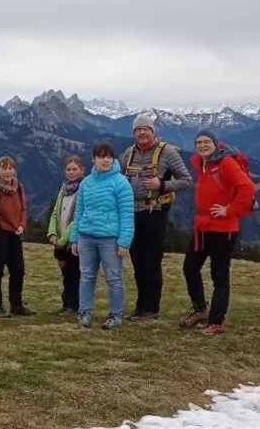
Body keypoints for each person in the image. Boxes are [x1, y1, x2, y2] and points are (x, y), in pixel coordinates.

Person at [180, 130, 256, 335]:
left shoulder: (226, 163)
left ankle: (216, 321)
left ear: (215, 144)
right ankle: (200, 310)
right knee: (190, 268)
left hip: (223, 229)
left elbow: (247, 187)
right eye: (199, 142)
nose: (202, 145)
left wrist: (229, 210)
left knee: (219, 276)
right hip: (202, 227)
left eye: (206, 142)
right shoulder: (202, 164)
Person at [120, 111, 192, 321]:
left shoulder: (168, 152)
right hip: (132, 212)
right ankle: (140, 305)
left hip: (156, 213)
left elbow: (187, 180)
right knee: (137, 261)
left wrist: (162, 185)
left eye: (146, 129)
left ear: (153, 131)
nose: (142, 132)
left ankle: (152, 308)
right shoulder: (128, 154)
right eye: (138, 129)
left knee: (152, 261)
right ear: (134, 133)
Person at [69, 143, 135, 330]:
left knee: (114, 278)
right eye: (101, 156)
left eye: (109, 156)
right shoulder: (86, 183)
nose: (105, 160)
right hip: (86, 237)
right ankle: (84, 313)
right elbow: (79, 212)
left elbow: (127, 215)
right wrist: (74, 238)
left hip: (110, 239)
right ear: (94, 159)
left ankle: (115, 315)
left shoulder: (121, 182)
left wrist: (124, 241)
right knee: (87, 276)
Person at [0, 156, 34, 317]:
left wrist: (21, 225)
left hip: (14, 234)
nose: (8, 171)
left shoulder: (19, 188)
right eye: (4, 168)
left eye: (10, 168)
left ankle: (16, 305)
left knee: (18, 270)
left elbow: (23, 209)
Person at [47, 156, 85, 316]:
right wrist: (52, 233)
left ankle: (74, 305)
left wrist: (63, 241)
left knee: (75, 274)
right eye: (68, 169)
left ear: (82, 171)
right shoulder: (64, 188)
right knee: (66, 273)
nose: (71, 172)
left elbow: (78, 218)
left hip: (75, 241)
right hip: (61, 239)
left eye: (74, 169)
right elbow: (56, 212)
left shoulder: (84, 189)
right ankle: (66, 303)